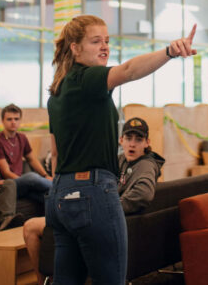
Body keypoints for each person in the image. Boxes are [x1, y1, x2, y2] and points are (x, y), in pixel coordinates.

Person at [46, 15, 197, 284]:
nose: (104, 47)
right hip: (92, 191)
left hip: (59, 194)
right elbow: (128, 71)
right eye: (95, 41)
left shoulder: (57, 92)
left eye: (106, 41)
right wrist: (170, 51)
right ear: (75, 48)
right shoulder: (87, 78)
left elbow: (55, 153)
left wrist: (63, 190)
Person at [22, 116, 167, 285]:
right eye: (129, 138)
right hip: (98, 215)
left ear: (147, 142)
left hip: (104, 219)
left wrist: (108, 207)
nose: (132, 144)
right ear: (121, 140)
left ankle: (44, 281)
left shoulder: (146, 165)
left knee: (30, 227)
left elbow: (143, 194)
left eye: (138, 139)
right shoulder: (119, 161)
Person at [0, 104, 52, 204]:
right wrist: (25, 181)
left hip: (21, 184)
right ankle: (61, 186)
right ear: (2, 121)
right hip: (7, 185)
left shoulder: (22, 137)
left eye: (16, 119)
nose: (13, 122)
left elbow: (32, 159)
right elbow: (6, 173)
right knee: (31, 177)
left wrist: (45, 175)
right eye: (9, 119)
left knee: (49, 196)